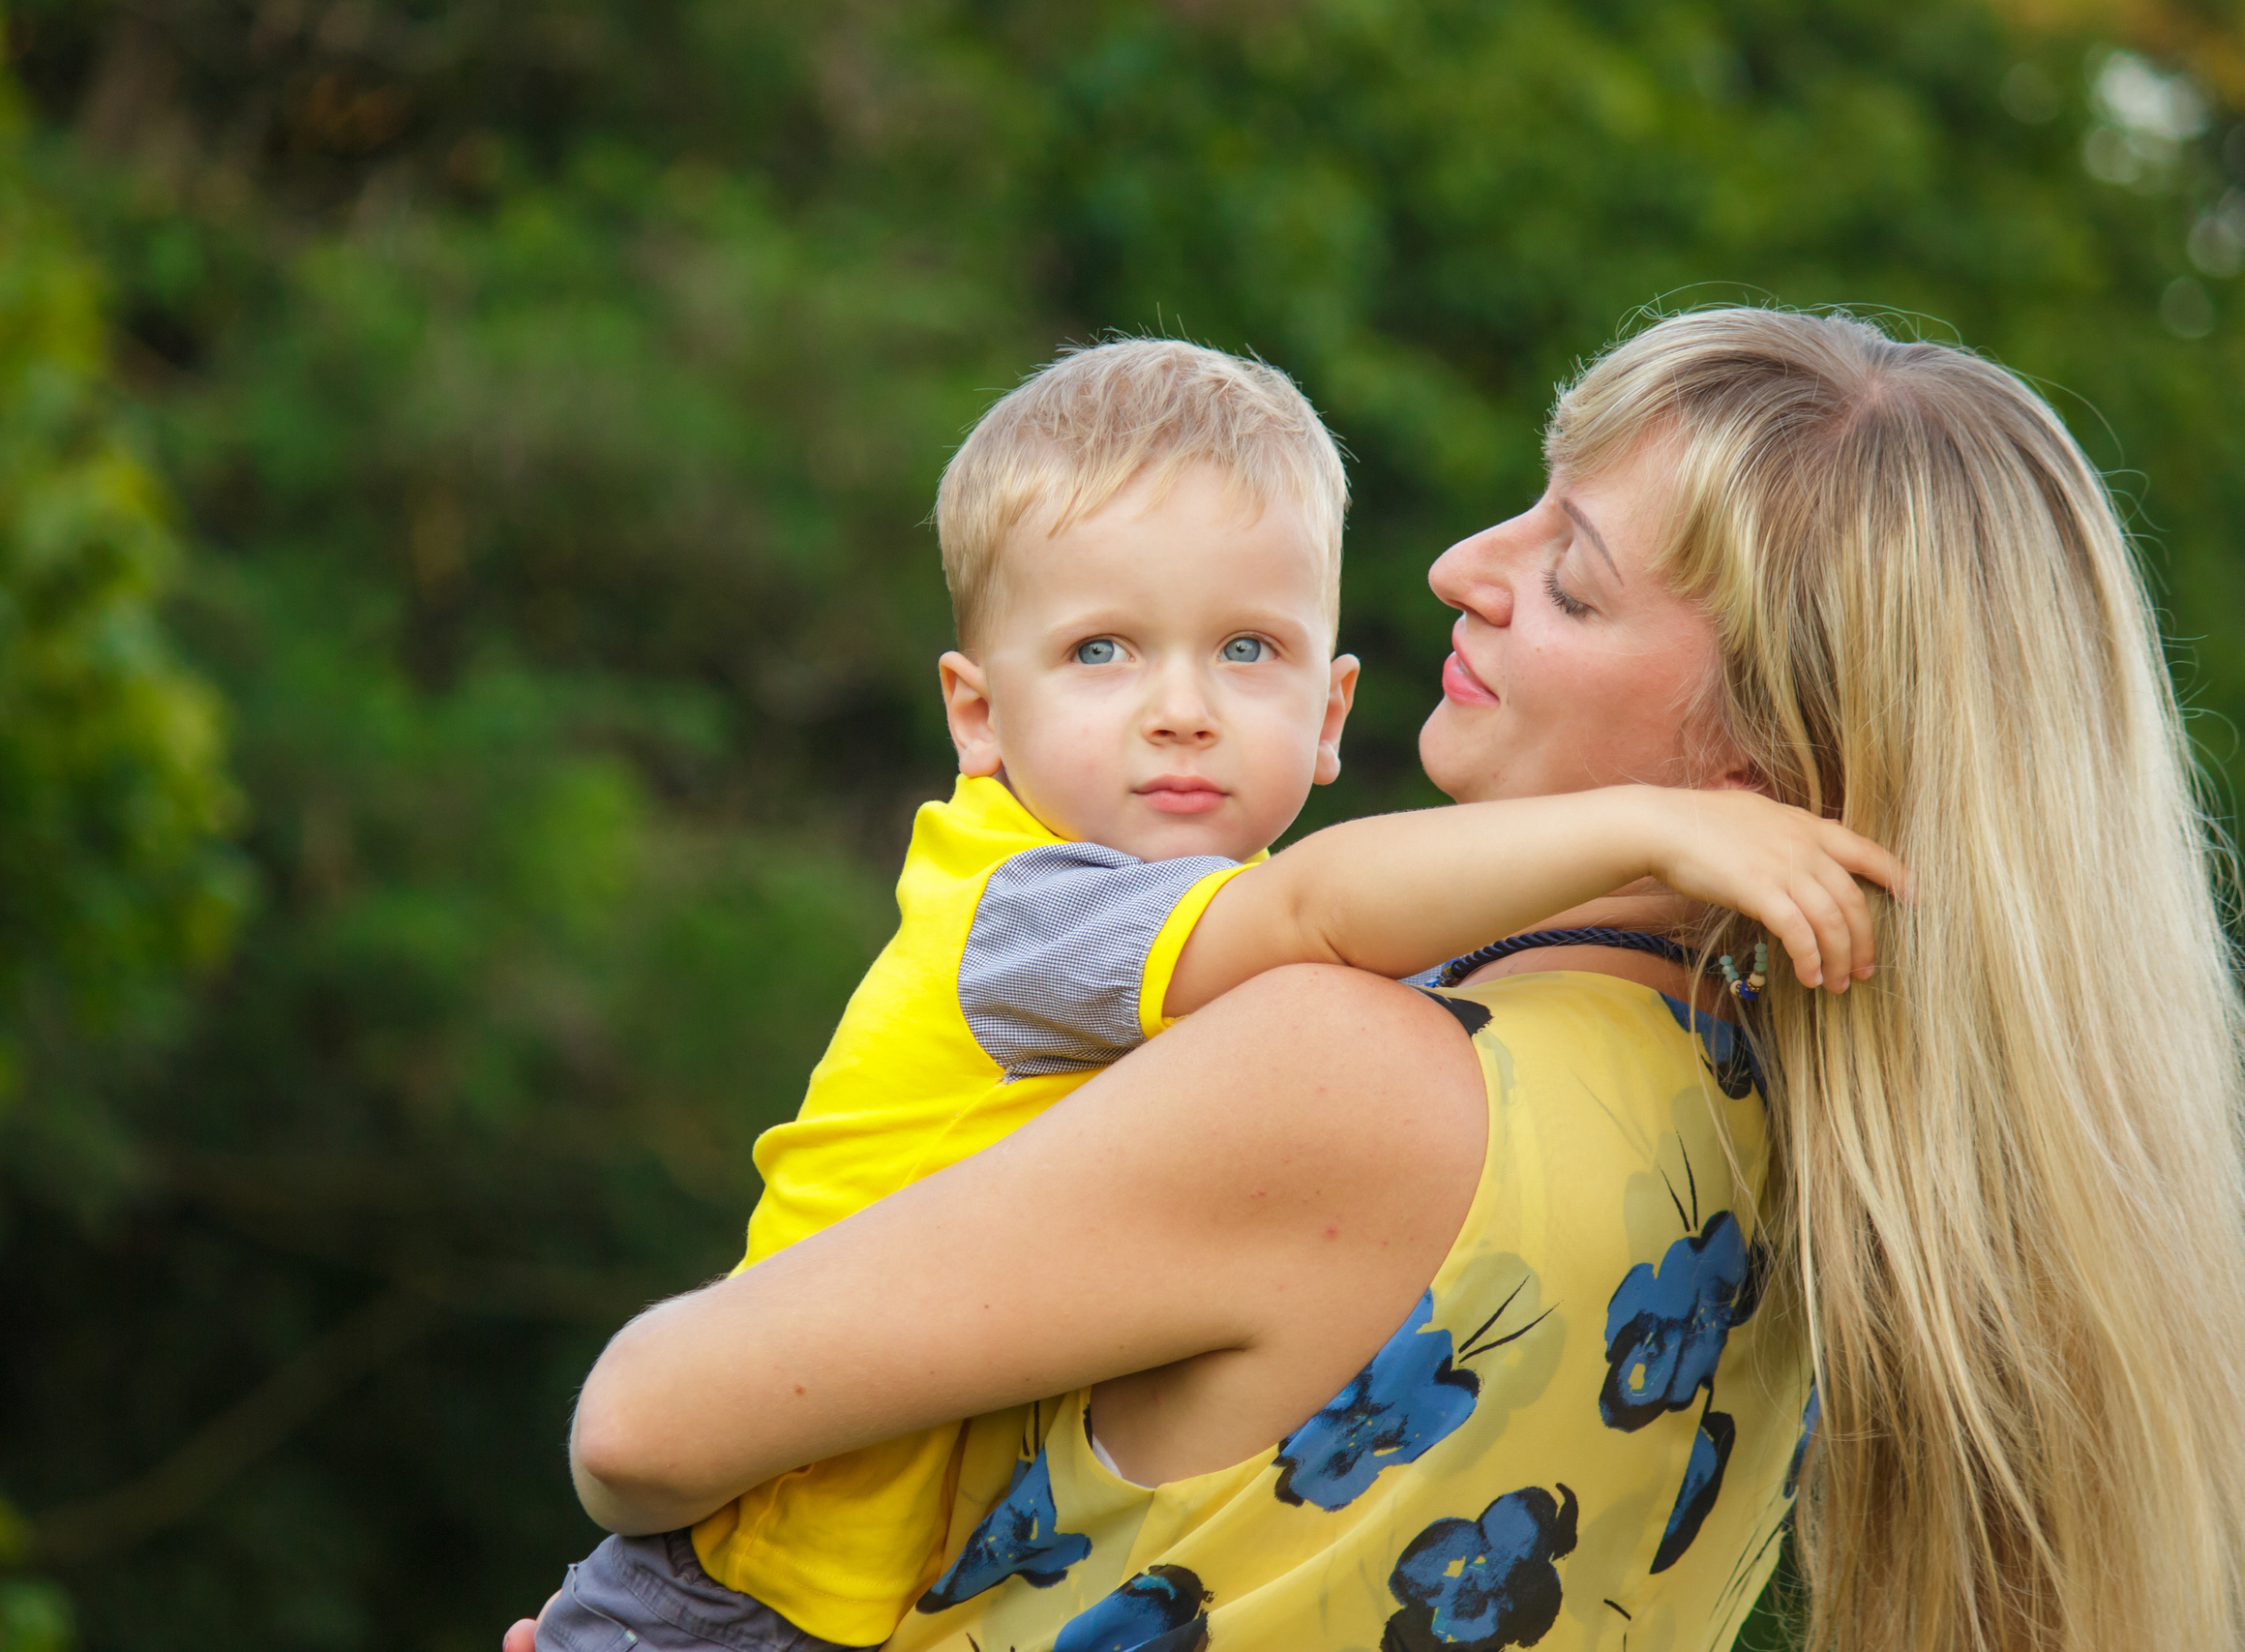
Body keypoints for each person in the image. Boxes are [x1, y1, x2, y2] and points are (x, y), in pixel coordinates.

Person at [527, 309, 2245, 1652]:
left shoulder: (1350, 1075)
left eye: (1567, 580)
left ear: (1763, 760)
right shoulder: (1815, 1183)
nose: (1457, 570)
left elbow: (644, 1427)